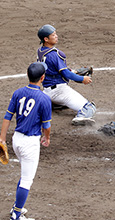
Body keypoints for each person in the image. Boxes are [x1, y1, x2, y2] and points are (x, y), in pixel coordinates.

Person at [0, 62, 52, 220]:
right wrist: (47, 137)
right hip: (30, 144)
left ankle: (16, 207)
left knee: (24, 176)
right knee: (27, 180)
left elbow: (8, 117)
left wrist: (2, 138)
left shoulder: (18, 93)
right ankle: (16, 215)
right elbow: (47, 125)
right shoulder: (44, 98)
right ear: (42, 77)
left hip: (16, 140)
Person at [37, 24, 96, 126]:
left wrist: (74, 71)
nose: (56, 36)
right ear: (46, 39)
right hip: (58, 91)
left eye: (55, 34)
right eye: (53, 35)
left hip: (47, 91)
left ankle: (55, 104)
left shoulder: (41, 51)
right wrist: (82, 79)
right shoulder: (55, 54)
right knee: (89, 107)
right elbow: (65, 73)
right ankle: (80, 118)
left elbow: (53, 69)